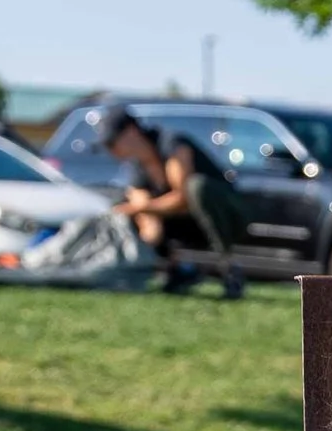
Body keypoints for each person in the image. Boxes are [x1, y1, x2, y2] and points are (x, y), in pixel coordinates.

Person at [91, 105, 246, 299]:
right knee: (127, 206)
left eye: (112, 143)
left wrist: (141, 208)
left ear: (131, 132)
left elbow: (181, 199)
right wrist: (143, 225)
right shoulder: (136, 167)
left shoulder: (171, 144)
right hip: (185, 223)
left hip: (228, 216)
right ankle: (178, 270)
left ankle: (229, 268)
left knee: (197, 187)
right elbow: (144, 210)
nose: (111, 152)